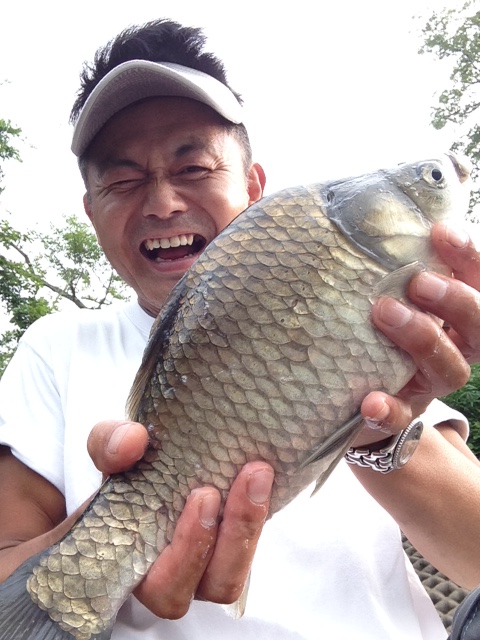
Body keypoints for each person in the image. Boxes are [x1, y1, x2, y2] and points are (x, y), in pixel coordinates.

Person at [1, 18, 480, 640]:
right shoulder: (56, 345)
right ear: (92, 213)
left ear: (254, 188)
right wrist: (124, 535)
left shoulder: (368, 319)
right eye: (122, 180)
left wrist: (378, 438)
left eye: (194, 167)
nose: (164, 203)